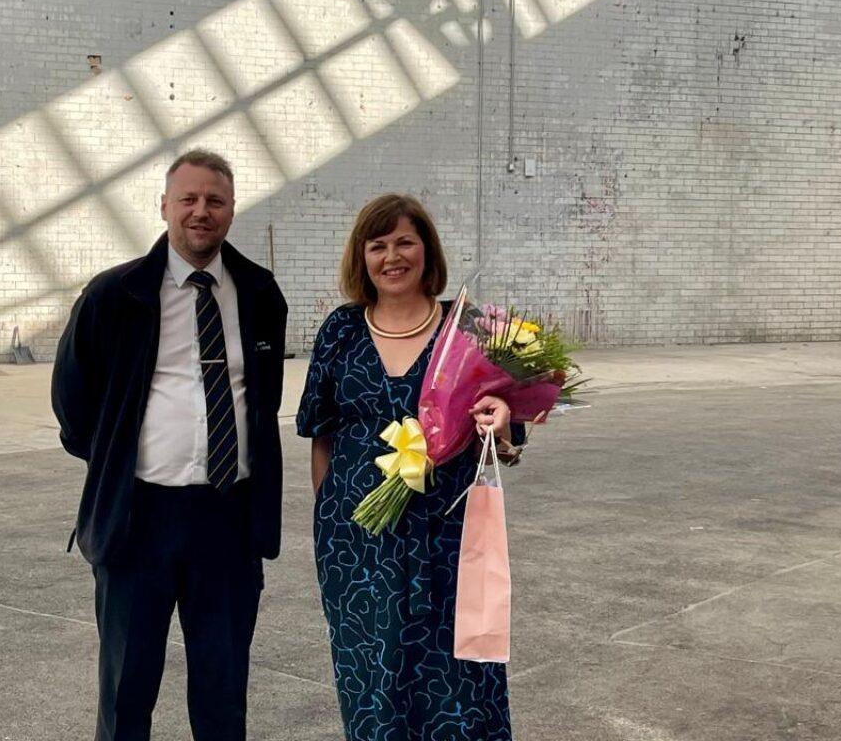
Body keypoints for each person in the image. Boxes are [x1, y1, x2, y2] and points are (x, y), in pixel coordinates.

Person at [52, 149, 287, 741]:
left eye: (215, 200)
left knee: (222, 693)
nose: (201, 212)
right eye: (188, 199)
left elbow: (262, 400)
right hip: (139, 519)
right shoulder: (115, 294)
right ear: (164, 206)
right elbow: (73, 404)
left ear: (232, 210)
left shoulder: (260, 293)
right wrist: (118, 462)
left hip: (228, 522)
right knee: (126, 693)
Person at [297, 193, 524, 741]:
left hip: (448, 537)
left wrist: (506, 424)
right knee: (372, 679)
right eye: (378, 245)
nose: (392, 256)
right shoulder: (340, 330)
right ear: (362, 256)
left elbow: (507, 431)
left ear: (427, 250)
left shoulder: (470, 329)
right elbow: (320, 433)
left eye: (405, 242)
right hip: (358, 545)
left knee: (458, 681)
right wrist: (333, 517)